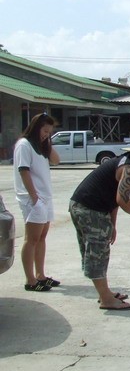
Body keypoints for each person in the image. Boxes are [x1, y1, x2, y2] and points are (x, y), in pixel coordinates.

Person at [69, 136, 130, 310]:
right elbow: (122, 199)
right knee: (97, 253)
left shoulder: (124, 162)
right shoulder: (129, 169)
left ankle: (104, 293)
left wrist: (112, 224)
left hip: (84, 206)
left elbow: (114, 199)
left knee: (99, 251)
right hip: (89, 209)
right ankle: (106, 299)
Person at [13, 113, 61, 292]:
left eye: (49, 132)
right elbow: (23, 171)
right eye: (45, 131)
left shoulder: (41, 146)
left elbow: (56, 161)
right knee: (31, 239)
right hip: (33, 199)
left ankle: (40, 275)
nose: (46, 135)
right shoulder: (24, 145)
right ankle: (30, 280)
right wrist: (34, 197)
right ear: (36, 128)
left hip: (45, 197)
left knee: (41, 237)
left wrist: (47, 142)